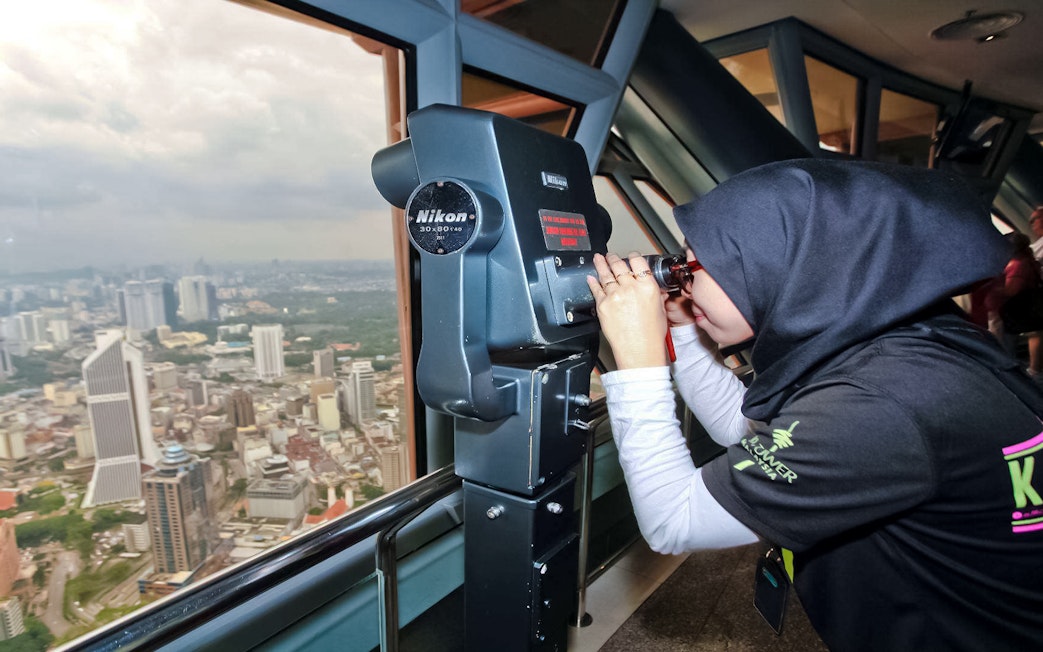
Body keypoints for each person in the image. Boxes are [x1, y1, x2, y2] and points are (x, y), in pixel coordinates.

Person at [587, 159, 1043, 652]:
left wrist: (636, 362)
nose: (682, 282)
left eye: (694, 267)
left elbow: (674, 519)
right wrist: (682, 327)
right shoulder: (898, 343)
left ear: (778, 264)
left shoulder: (883, 402)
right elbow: (740, 427)